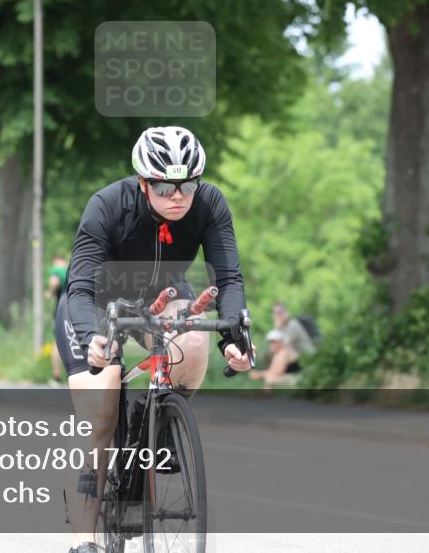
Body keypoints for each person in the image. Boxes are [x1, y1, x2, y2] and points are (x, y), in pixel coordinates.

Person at [53, 126, 253, 553]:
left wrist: (234, 337)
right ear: (144, 183)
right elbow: (81, 290)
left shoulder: (210, 203)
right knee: (101, 415)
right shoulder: (107, 206)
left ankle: (157, 416)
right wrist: (92, 337)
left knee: (195, 340)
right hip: (96, 305)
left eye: (187, 184)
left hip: (160, 297)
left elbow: (229, 277)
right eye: (164, 186)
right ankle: (84, 541)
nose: (178, 195)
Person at [249, 302, 315, 388]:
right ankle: (269, 379)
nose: (278, 314)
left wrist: (277, 326)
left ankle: (268, 377)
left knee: (282, 352)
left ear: (286, 312)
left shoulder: (292, 325)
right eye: (275, 312)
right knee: (274, 352)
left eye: (280, 311)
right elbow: (275, 346)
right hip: (293, 358)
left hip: (304, 357)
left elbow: (283, 345)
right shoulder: (281, 327)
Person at [46, 254, 69, 383]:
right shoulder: (70, 270)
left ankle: (57, 375)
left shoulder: (56, 272)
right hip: (75, 311)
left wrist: (51, 291)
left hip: (60, 312)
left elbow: (53, 284)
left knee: (57, 344)